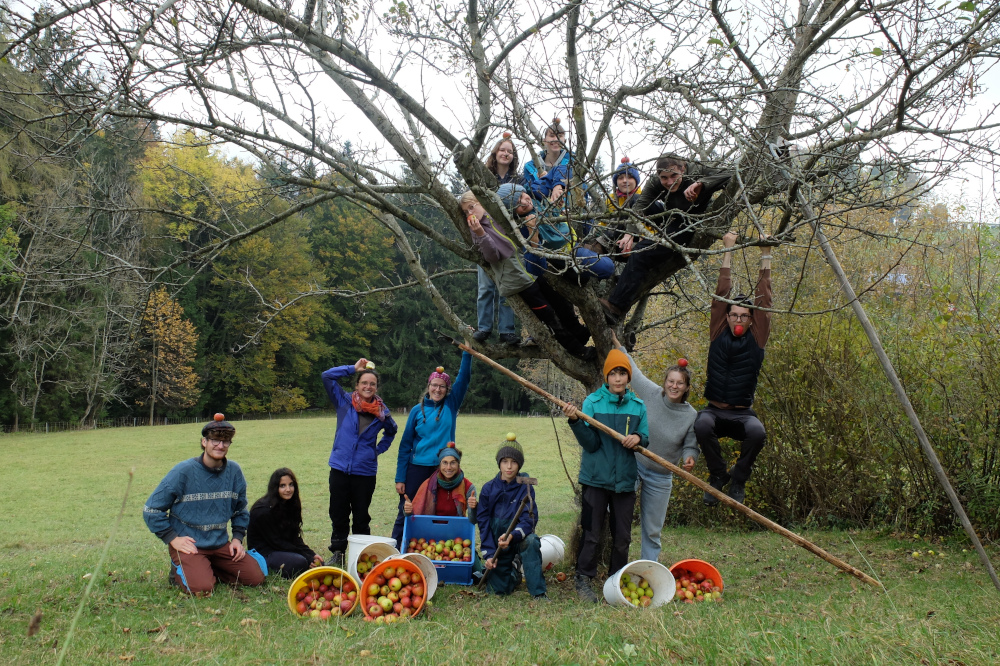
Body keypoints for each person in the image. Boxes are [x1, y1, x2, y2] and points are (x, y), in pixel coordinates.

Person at [460, 190, 596, 360]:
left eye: (472, 207)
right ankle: (577, 350)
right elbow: (492, 256)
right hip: (518, 281)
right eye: (466, 211)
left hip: (532, 269)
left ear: (481, 203)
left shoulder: (498, 216)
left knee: (560, 302)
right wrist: (481, 233)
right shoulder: (477, 231)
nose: (470, 213)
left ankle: (579, 332)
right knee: (548, 315)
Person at [600, 153, 734, 324]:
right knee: (634, 200)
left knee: (642, 252)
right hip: (670, 216)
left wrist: (702, 184)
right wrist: (629, 233)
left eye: (674, 176)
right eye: (664, 178)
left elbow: (732, 173)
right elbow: (641, 206)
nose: (669, 182)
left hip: (691, 223)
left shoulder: (698, 170)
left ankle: (616, 307)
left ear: (683, 168)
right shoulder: (656, 182)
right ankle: (603, 246)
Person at [143, 415, 265, 596]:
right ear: (204, 442)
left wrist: (238, 539)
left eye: (225, 441)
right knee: (202, 589)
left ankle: (206, 567)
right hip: (190, 545)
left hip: (219, 543)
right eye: (215, 440)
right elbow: (151, 509)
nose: (220, 446)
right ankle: (181, 568)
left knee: (256, 578)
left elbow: (240, 510)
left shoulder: (234, 471)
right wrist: (173, 538)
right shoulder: (182, 471)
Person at [563, 349, 648, 603]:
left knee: (622, 537)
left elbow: (646, 436)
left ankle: (616, 579)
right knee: (591, 532)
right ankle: (583, 577)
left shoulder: (638, 406)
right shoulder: (592, 403)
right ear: (606, 376)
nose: (618, 378)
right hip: (595, 480)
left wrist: (638, 438)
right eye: (614, 373)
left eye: (622, 373)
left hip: (625, 482)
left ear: (628, 377)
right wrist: (576, 422)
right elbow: (589, 445)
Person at [696, 231, 773, 506]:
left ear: (752, 320)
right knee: (701, 425)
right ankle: (718, 475)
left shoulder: (757, 337)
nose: (739, 319)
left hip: (742, 415)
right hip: (714, 410)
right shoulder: (718, 331)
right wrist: (728, 250)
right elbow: (721, 294)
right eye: (734, 314)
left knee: (758, 432)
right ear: (727, 317)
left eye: (744, 315)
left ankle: (738, 478)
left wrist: (766, 254)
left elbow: (764, 300)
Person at [611, 332, 697, 562]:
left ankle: (648, 570)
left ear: (687, 387)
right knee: (617, 515)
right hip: (635, 465)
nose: (674, 386)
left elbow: (691, 445)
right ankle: (616, 564)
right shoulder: (651, 393)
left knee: (652, 530)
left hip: (661, 476)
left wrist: (690, 458)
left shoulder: (691, 415)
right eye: (671, 381)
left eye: (679, 383)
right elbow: (634, 372)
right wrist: (619, 347)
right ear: (665, 382)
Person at [321, 358, 398, 566]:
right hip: (339, 468)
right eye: (364, 382)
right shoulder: (344, 402)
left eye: (372, 384)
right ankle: (338, 552)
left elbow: (392, 431)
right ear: (357, 384)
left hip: (364, 471)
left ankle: (361, 555)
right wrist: (352, 368)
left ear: (376, 387)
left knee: (362, 516)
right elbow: (326, 376)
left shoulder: (382, 413)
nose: (368, 386)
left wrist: (377, 450)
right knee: (338, 512)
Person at [391, 354, 472, 545]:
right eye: (434, 385)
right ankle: (395, 547)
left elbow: (464, 378)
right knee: (408, 508)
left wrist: (467, 351)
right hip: (416, 468)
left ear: (447, 389)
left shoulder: (451, 405)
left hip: (443, 469)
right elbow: (405, 446)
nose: (437, 389)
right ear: (428, 387)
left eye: (442, 386)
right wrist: (400, 477)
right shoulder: (416, 411)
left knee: (438, 509)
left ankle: (432, 547)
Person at [477, 435, 547, 600]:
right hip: (498, 544)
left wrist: (513, 535)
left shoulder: (526, 487)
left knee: (531, 541)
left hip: (515, 539)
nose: (509, 466)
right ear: (499, 463)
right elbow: (483, 523)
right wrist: (489, 554)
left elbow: (529, 519)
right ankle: (514, 570)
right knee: (497, 591)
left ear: (519, 464)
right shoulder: (488, 489)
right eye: (505, 461)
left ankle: (538, 592)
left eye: (514, 462)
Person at [474, 135, 522, 344]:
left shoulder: (518, 181)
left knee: (507, 287)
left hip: (509, 238)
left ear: (513, 157)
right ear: (495, 153)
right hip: (486, 235)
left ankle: (507, 330)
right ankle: (484, 327)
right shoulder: (484, 178)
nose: (506, 154)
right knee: (486, 287)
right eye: (502, 150)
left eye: (510, 151)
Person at [247, 468, 323, 578]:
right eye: (283, 486)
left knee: (319, 563)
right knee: (301, 562)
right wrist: (307, 557)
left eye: (291, 485)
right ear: (275, 488)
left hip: (280, 549)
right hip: (264, 553)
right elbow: (277, 542)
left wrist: (312, 554)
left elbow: (294, 537)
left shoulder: (289, 504)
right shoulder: (263, 511)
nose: (288, 489)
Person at [403, 442, 478, 519]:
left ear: (458, 464)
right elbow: (414, 517)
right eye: (445, 463)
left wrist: (473, 508)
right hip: (431, 529)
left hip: (456, 529)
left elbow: (473, 520)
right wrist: (408, 511)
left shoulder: (468, 487)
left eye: (453, 463)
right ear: (439, 465)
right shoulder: (428, 485)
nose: (448, 467)